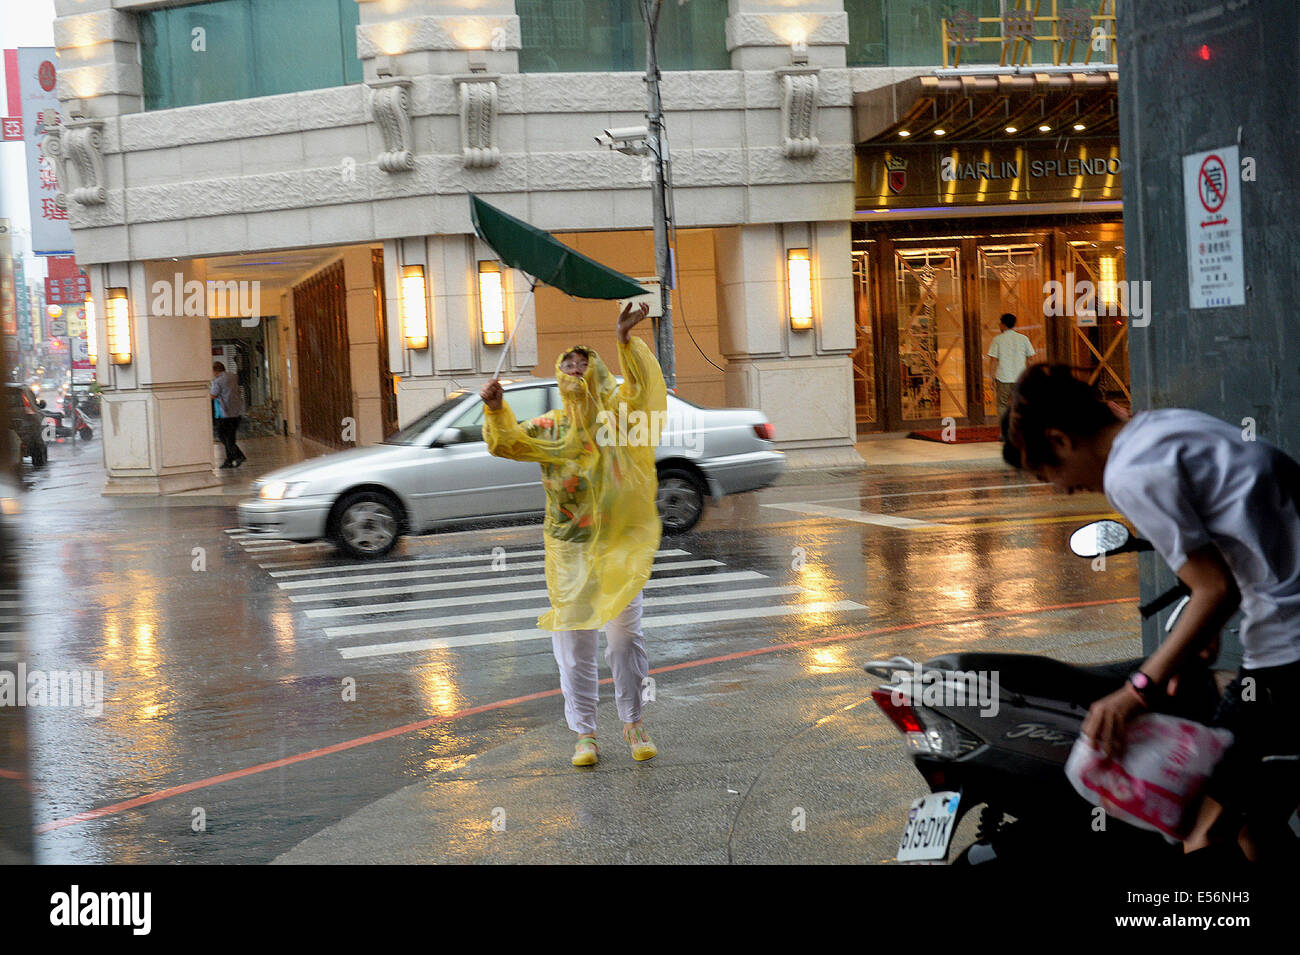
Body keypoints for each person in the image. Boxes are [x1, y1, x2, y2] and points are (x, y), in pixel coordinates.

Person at [1001, 363, 1300, 860]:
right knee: (1252, 818)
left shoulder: (1129, 472)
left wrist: (1137, 691)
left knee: (1204, 823)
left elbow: (1213, 588)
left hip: (1287, 648)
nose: (1058, 488)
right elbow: (1240, 544)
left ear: (1059, 439)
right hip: (1284, 634)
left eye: (1046, 473)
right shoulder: (1162, 428)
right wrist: (1193, 646)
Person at [480, 302, 666, 768]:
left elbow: (643, 391)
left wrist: (624, 341)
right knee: (574, 645)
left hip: (618, 548)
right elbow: (506, 443)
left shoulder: (618, 422)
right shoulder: (550, 429)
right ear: (560, 375)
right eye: (569, 363)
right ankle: (584, 733)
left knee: (624, 640)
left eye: (585, 362)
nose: (577, 368)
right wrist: (497, 407)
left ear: (599, 371)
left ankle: (633, 720)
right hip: (569, 551)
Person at [986, 313, 1035, 417]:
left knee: (1002, 405)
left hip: (1003, 378)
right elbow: (1030, 359)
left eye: (1000, 324)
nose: (999, 326)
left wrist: (991, 377)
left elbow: (993, 360)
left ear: (1003, 324)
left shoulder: (997, 340)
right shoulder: (1023, 339)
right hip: (1020, 378)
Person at [210, 360, 246, 468]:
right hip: (236, 411)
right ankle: (229, 460)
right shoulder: (233, 377)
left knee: (223, 436)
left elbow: (213, 395)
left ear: (215, 371)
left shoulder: (218, 381)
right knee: (230, 436)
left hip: (223, 413)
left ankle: (238, 455)